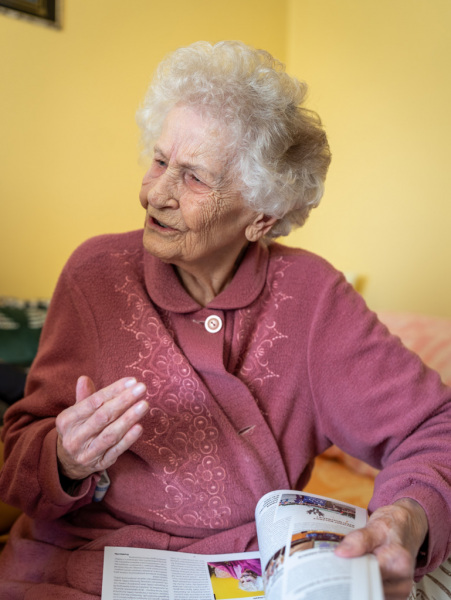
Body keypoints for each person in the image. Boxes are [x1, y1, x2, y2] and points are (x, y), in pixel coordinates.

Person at [0, 40, 450, 600]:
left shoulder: (312, 297)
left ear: (262, 216)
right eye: (160, 161)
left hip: (246, 572)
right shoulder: (94, 274)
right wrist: (64, 458)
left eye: (193, 178)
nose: (154, 194)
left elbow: (434, 427)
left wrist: (408, 515)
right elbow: (18, 457)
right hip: (84, 563)